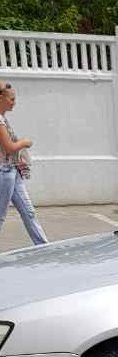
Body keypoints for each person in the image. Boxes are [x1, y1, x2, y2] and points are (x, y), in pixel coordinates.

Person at [0, 81, 47, 245]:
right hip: (4, 173)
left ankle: (43, 246)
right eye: (11, 99)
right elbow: (8, 148)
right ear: (1, 99)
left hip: (12, 172)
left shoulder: (3, 119)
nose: (14, 102)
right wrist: (24, 143)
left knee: (29, 212)